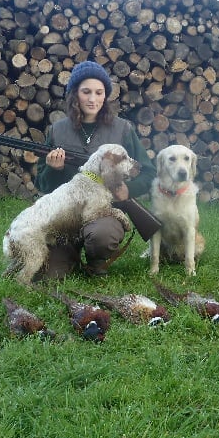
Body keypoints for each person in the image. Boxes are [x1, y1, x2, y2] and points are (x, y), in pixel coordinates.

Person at [34, 60, 156, 278]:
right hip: (66, 215)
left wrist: (129, 190)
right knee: (51, 275)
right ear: (75, 94)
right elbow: (42, 184)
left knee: (103, 235)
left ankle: (96, 260)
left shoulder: (122, 129)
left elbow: (149, 172)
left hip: (102, 212)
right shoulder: (57, 130)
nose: (93, 99)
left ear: (105, 95)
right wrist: (54, 169)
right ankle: (69, 256)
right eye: (86, 92)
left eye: (99, 93)